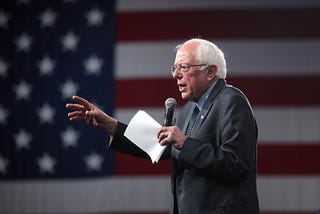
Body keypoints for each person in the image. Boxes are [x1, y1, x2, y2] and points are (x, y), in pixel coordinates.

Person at [66, 38, 260, 214]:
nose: (175, 75)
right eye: (174, 68)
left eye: (184, 67)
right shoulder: (188, 111)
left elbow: (236, 165)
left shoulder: (232, 102)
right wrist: (109, 124)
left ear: (210, 72)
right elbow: (157, 146)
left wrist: (185, 143)